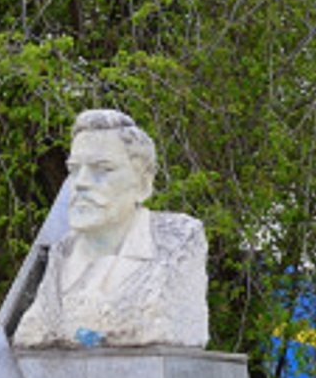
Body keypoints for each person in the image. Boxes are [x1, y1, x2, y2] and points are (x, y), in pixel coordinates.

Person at [13, 109, 208, 348]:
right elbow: (33, 333)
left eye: (102, 169)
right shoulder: (61, 254)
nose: (81, 183)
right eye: (74, 170)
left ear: (143, 184)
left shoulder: (175, 243)